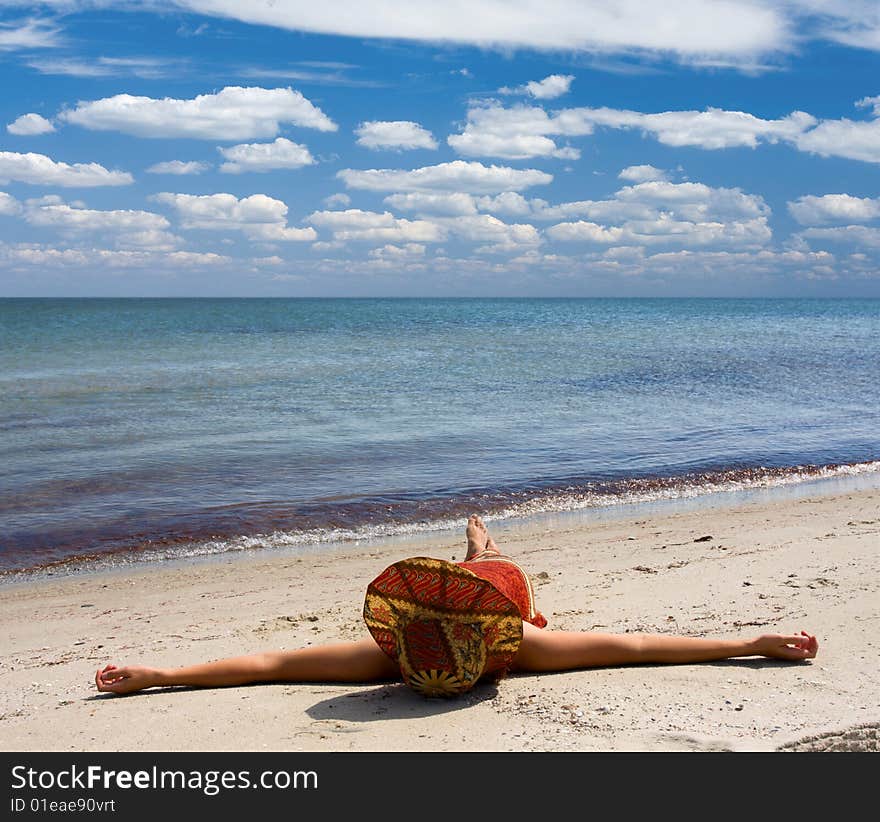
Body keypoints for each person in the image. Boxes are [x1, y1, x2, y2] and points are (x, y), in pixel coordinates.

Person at [94, 515, 818, 697]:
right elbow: (635, 646)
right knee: (494, 571)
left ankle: (478, 542)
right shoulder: (526, 646)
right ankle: (480, 544)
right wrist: (750, 640)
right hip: (503, 602)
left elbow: (272, 664)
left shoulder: (389, 660)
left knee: (487, 568)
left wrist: (165, 674)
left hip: (494, 602)